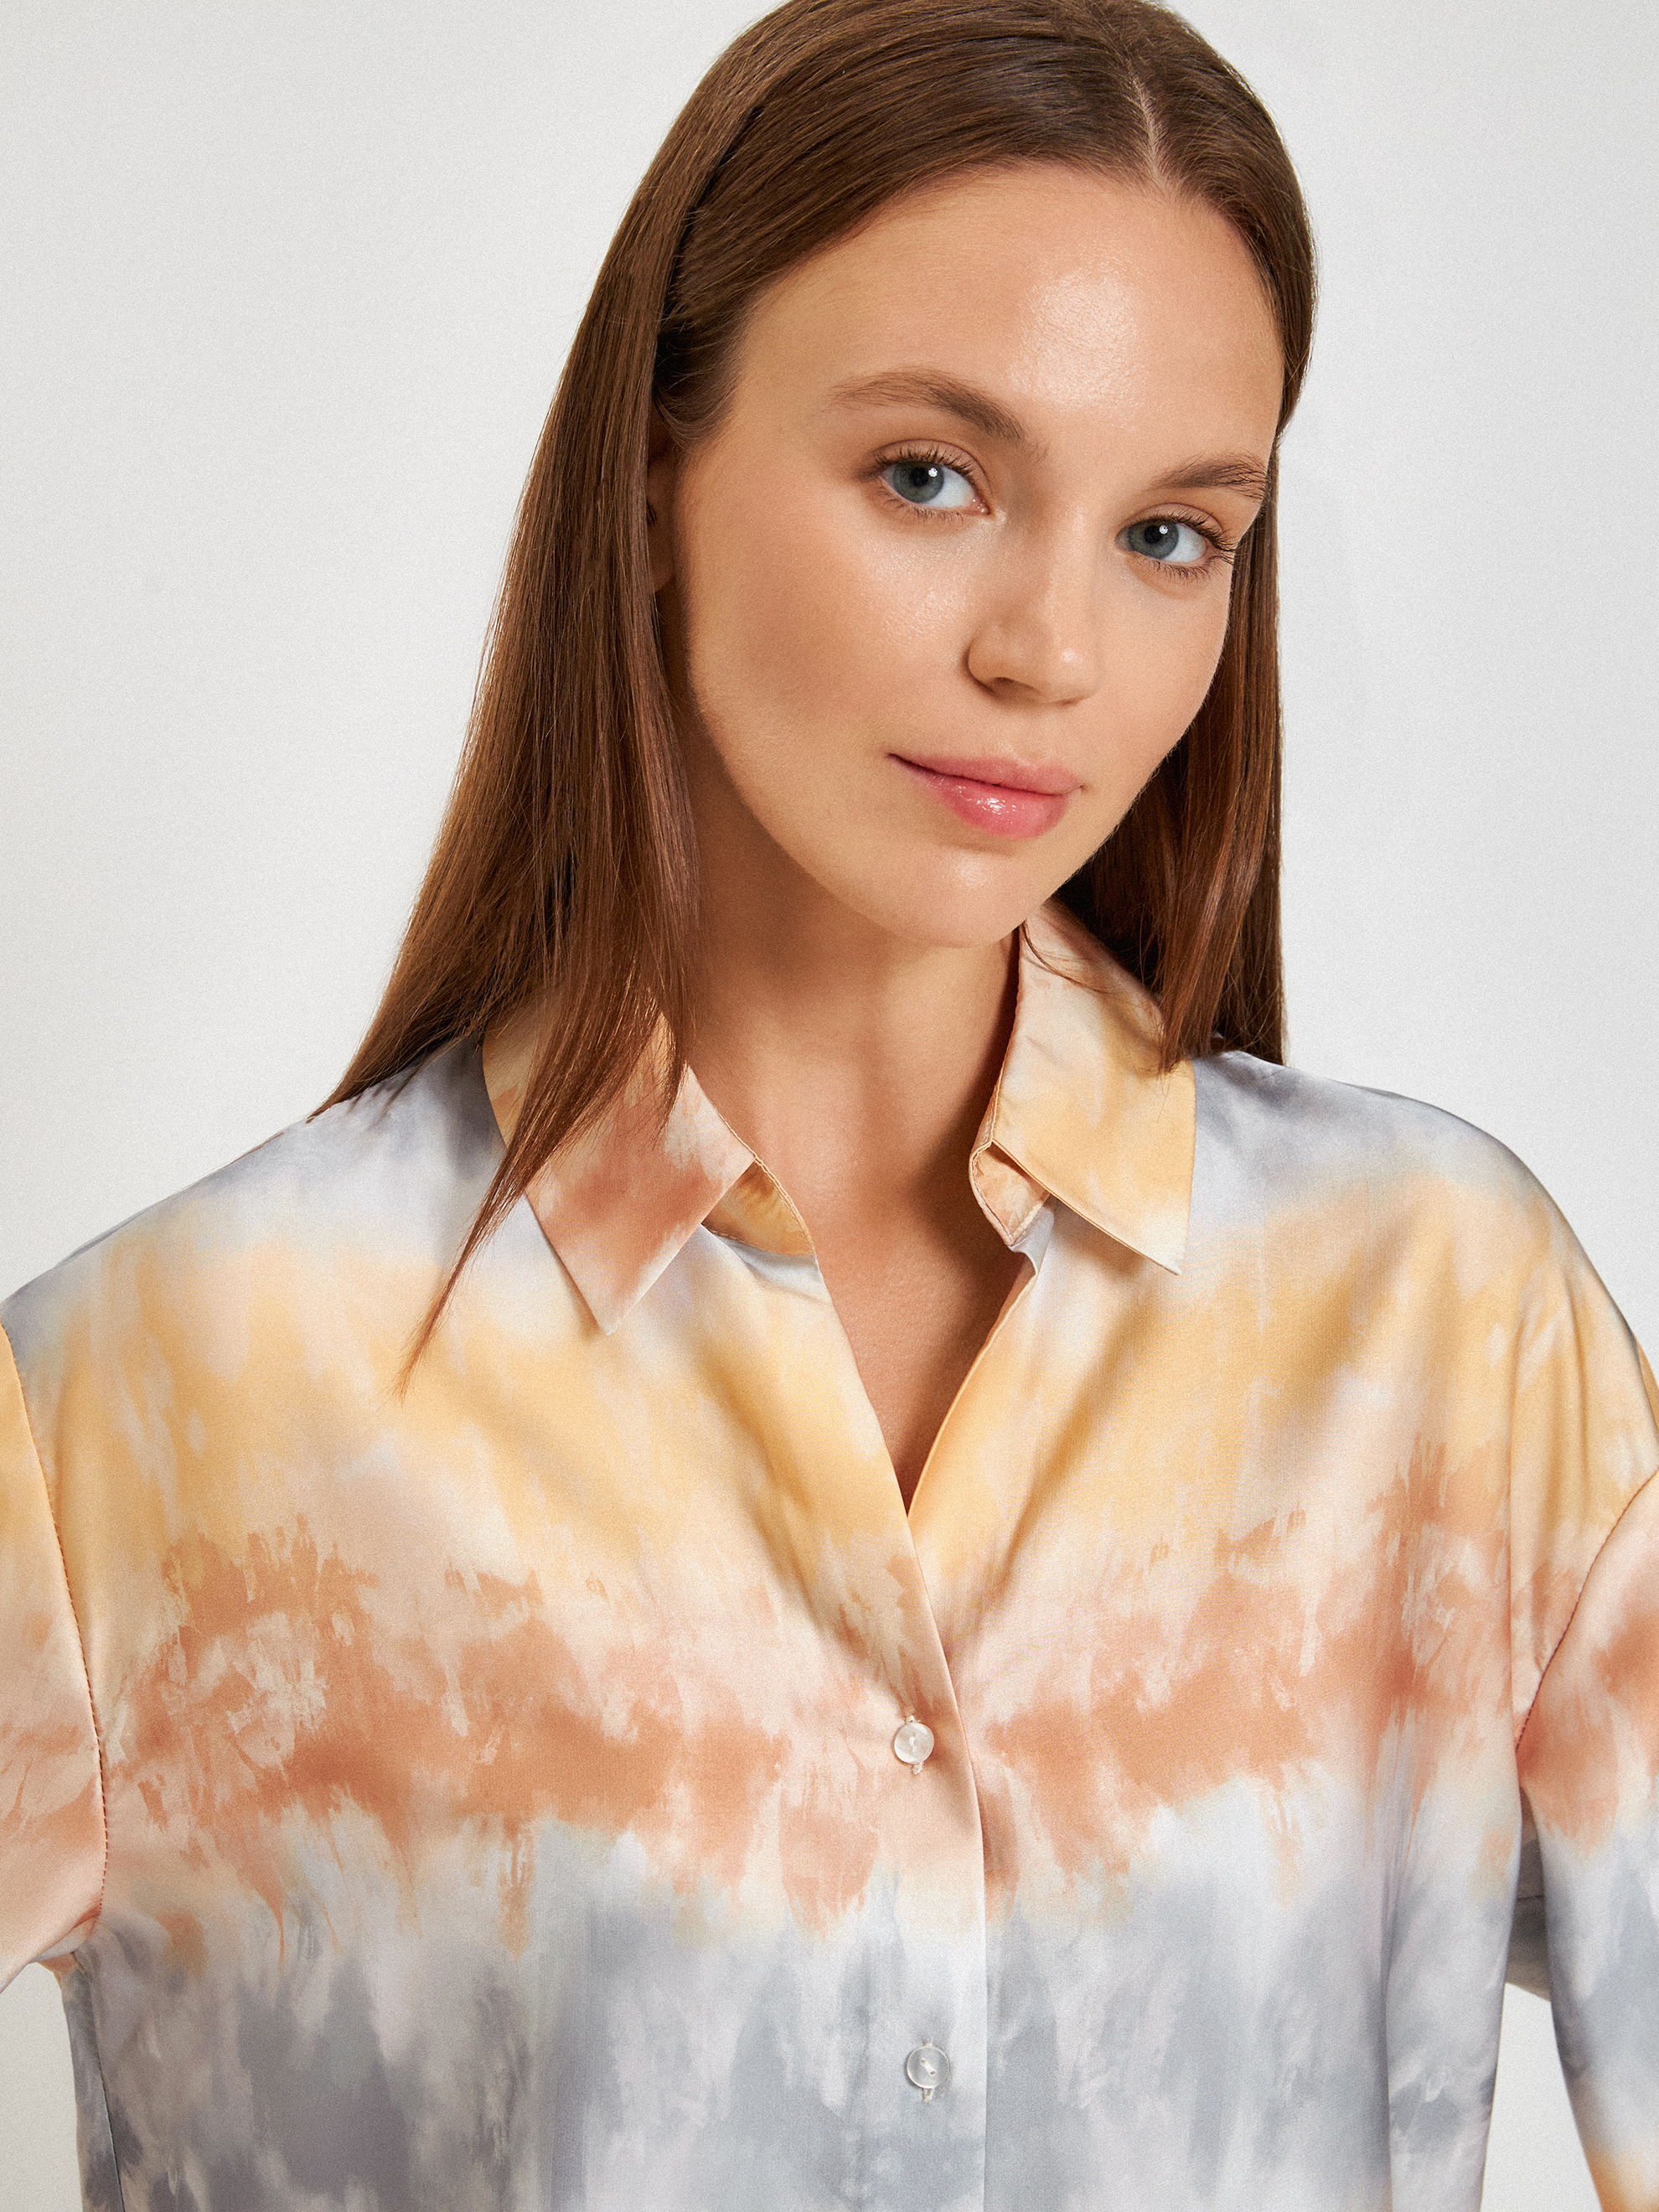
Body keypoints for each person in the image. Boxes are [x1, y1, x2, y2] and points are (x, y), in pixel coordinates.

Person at [2, 0, 1654, 2206]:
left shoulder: (1436, 1322)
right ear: (651, 487)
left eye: (1172, 533)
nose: (1049, 651)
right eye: (928, 478)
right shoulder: (167, 1397)